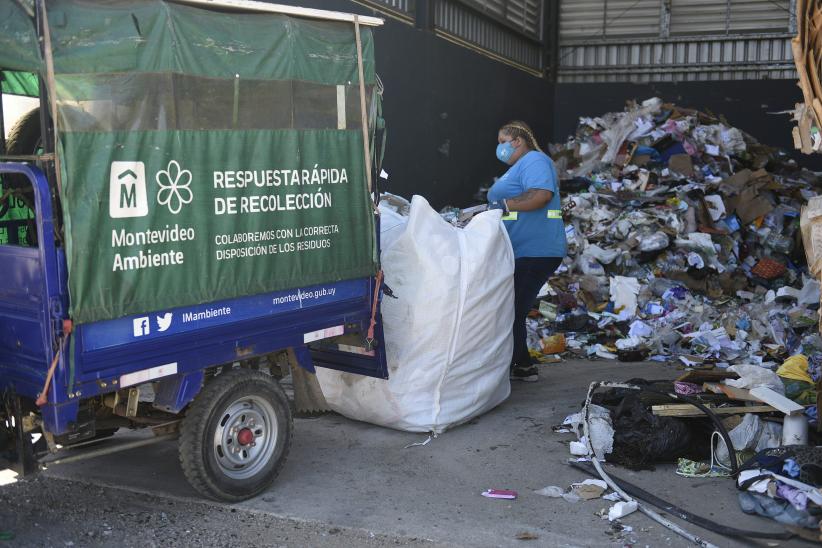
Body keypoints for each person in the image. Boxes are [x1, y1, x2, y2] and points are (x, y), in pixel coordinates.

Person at [486, 121, 567, 382]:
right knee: (510, 307)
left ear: (517, 141)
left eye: (502, 141)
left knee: (511, 308)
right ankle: (519, 364)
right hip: (521, 250)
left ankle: (520, 366)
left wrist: (503, 205)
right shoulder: (519, 167)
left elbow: (541, 195)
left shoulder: (534, 160)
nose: (499, 148)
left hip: (536, 250)